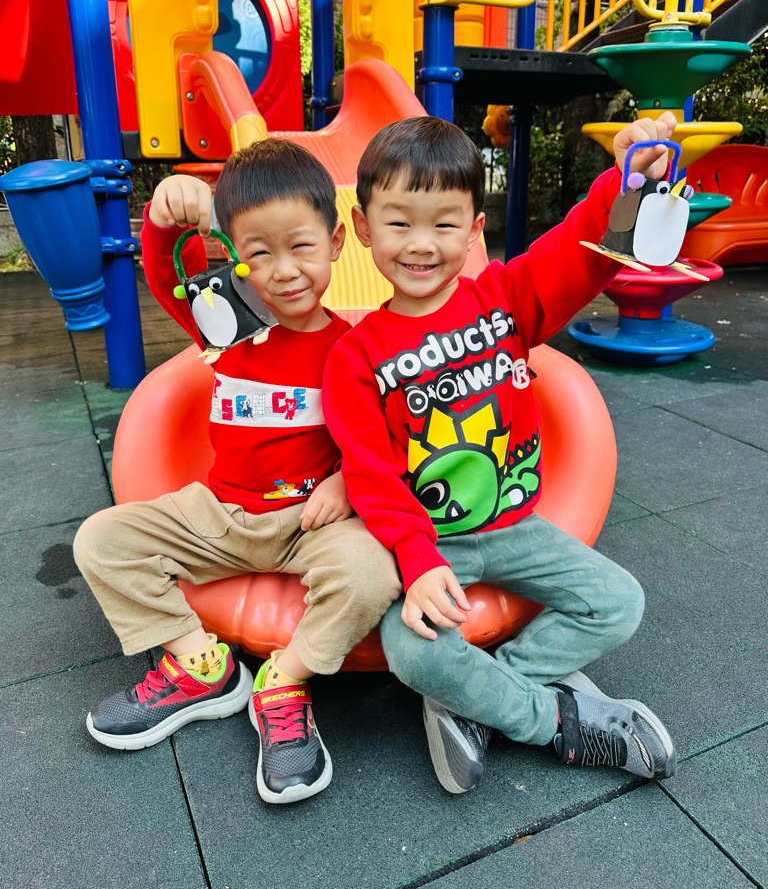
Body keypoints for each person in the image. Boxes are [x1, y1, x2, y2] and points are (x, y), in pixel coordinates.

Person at [322, 113, 678, 794]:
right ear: (363, 227)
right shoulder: (356, 356)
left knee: (619, 603)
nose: (421, 244)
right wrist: (418, 561)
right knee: (411, 653)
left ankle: (475, 699)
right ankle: (556, 723)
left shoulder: (503, 299)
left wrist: (623, 182)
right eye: (398, 223)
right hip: (434, 543)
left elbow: (576, 251)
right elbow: (371, 472)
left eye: (444, 223)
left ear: (474, 230)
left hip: (518, 528)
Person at [74, 140, 401, 804]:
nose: (284, 271)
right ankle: (203, 666)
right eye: (259, 254)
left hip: (311, 522)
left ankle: (285, 681)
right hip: (222, 515)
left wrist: (346, 481)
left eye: (301, 247)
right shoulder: (227, 324)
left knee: (373, 573)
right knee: (100, 540)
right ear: (236, 258)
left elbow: (388, 438)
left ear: (337, 243)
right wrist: (164, 220)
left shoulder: (354, 348)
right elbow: (168, 271)